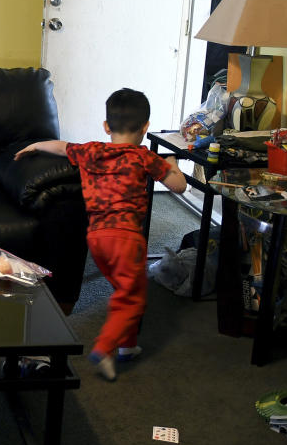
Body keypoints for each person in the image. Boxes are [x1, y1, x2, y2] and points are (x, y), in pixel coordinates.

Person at [14, 88, 187, 381]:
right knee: (130, 298)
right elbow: (179, 187)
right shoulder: (144, 157)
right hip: (126, 239)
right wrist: (173, 166)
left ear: (106, 127)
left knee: (127, 289)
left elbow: (61, 146)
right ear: (145, 128)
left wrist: (36, 146)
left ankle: (128, 346)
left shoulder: (92, 151)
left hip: (96, 238)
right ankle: (106, 348)